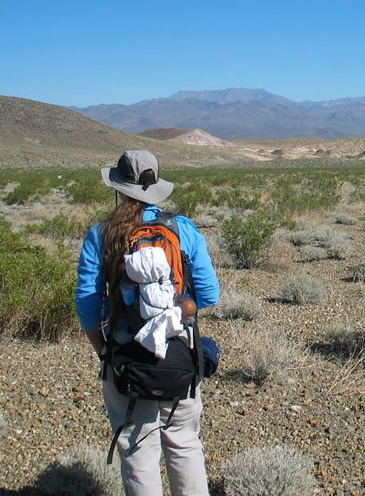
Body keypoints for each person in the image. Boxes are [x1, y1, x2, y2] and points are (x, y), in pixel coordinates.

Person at [75, 150, 219, 496]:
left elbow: (87, 305)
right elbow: (210, 294)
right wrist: (174, 314)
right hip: (180, 358)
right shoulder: (183, 229)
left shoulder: (101, 235)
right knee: (184, 443)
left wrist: (104, 350)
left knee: (138, 447)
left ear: (119, 188)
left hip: (125, 358)